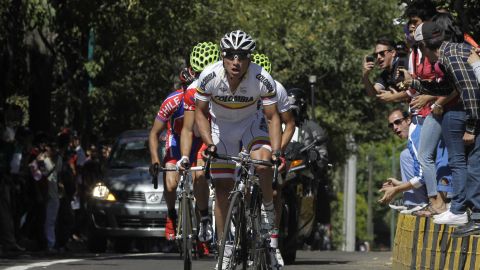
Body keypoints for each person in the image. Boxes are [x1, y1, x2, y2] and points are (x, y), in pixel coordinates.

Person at [194, 30, 283, 269]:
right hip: (221, 130)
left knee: (263, 162)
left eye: (242, 56)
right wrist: (209, 143)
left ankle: (267, 210)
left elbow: (273, 117)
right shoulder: (209, 76)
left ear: (249, 59)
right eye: (231, 55)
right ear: (223, 56)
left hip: (250, 126)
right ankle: (225, 248)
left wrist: (276, 152)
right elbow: (200, 113)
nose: (236, 61)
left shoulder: (262, 77)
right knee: (222, 190)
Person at [400, 21, 480, 232]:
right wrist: (414, 84)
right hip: (468, 114)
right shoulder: (449, 55)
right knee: (467, 163)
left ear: (425, 46)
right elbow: (446, 87)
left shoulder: (451, 57)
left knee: (467, 164)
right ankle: (468, 213)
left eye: (419, 47)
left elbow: (470, 92)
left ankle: (466, 212)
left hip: (471, 116)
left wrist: (471, 128)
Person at [176, 41, 220, 252]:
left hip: (220, 130)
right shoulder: (192, 91)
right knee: (198, 173)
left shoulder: (226, 84)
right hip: (199, 135)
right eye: (199, 73)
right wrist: (184, 157)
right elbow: (187, 128)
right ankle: (203, 216)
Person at [378, 109, 429, 209]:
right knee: (405, 155)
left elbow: (421, 178)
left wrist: (397, 189)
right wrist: (400, 184)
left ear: (408, 120)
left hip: (447, 184)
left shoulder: (416, 136)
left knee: (405, 155)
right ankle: (412, 200)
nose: (395, 127)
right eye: (391, 125)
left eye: (397, 122)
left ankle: (416, 203)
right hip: (435, 180)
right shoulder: (414, 135)